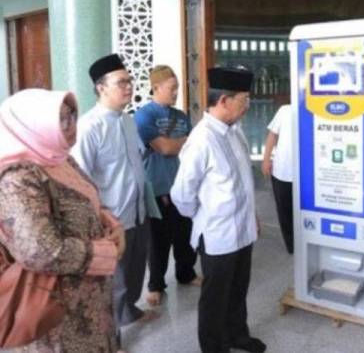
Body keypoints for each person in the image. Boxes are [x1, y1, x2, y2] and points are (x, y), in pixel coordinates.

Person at [0, 89, 125, 352]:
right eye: (60, 119)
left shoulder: (60, 159)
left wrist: (113, 225)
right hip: (56, 310)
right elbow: (40, 250)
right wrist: (105, 251)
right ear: (31, 125)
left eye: (72, 116)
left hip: (90, 299)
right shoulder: (17, 178)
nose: (70, 126)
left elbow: (89, 200)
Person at [171, 67, 266, 353]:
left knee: (238, 289)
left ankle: (238, 335)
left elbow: (244, 184)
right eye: (244, 100)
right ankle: (214, 347)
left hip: (243, 230)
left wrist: (253, 217)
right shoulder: (201, 140)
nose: (247, 106)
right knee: (215, 297)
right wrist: (204, 218)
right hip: (218, 234)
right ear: (224, 100)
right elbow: (182, 195)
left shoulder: (235, 133)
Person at [72, 54, 157, 338]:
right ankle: (111, 339)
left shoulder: (129, 122)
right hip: (112, 221)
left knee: (134, 276)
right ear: (101, 88)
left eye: (130, 81)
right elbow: (79, 180)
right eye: (122, 82)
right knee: (112, 285)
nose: (129, 87)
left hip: (138, 213)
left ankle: (129, 310)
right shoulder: (89, 127)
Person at [134, 65, 202, 307]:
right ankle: (155, 284)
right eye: (171, 88)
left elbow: (194, 148)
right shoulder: (144, 116)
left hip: (183, 185)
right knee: (159, 239)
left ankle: (186, 273)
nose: (176, 92)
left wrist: (179, 143)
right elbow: (164, 148)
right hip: (157, 187)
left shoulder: (181, 117)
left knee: (185, 233)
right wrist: (184, 142)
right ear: (156, 87)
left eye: (177, 88)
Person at [262, 103, 294, 254]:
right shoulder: (285, 110)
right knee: (284, 211)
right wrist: (266, 159)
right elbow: (272, 135)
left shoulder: (317, 109)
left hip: (306, 174)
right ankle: (291, 246)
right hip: (282, 171)